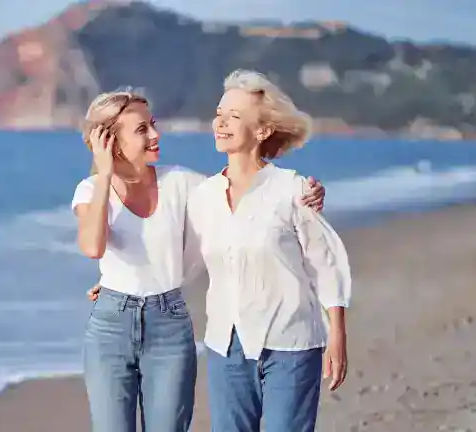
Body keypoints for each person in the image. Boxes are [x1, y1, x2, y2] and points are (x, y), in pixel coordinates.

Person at [71, 89, 326, 432]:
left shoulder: (181, 183)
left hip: (169, 324)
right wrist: (104, 175)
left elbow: (247, 194)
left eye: (153, 124)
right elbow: (92, 246)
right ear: (111, 141)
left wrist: (302, 193)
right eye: (141, 129)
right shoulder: (90, 190)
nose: (155, 135)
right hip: (109, 326)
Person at [185, 69, 352, 432]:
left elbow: (327, 263)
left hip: (291, 343)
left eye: (234, 116)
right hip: (226, 346)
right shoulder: (203, 197)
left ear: (261, 131)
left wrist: (337, 335)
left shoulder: (293, 190)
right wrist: (118, 283)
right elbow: (183, 258)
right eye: (219, 114)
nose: (221, 123)